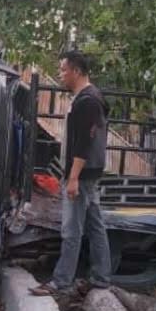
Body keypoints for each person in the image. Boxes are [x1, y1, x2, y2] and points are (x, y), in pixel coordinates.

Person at [31, 50, 112, 296]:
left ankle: (61, 281)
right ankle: (101, 277)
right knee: (96, 225)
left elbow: (84, 144)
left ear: (76, 71)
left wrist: (73, 177)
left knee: (71, 230)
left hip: (83, 173)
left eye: (63, 70)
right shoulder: (87, 98)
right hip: (89, 172)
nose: (60, 74)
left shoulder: (88, 101)